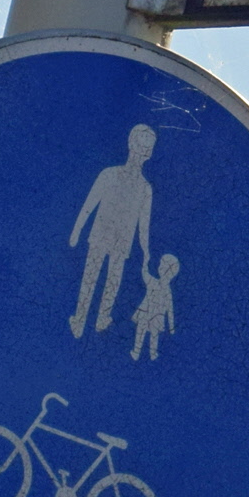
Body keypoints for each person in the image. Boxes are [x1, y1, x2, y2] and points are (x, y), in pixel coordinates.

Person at [69, 124, 155, 338]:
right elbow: (89, 205)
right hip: (104, 236)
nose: (144, 151)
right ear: (132, 144)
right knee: (94, 277)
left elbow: (143, 226)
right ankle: (84, 319)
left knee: (109, 279)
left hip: (118, 240)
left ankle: (96, 319)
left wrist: (146, 252)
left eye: (148, 147)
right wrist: (77, 229)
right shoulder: (112, 175)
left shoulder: (143, 187)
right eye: (143, 146)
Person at [130, 254, 179, 361]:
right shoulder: (164, 289)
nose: (159, 267)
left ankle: (139, 352)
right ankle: (150, 353)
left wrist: (145, 262)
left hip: (149, 313)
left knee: (144, 332)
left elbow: (145, 274)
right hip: (153, 315)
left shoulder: (155, 284)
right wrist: (171, 327)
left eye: (162, 266)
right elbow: (170, 310)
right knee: (151, 334)